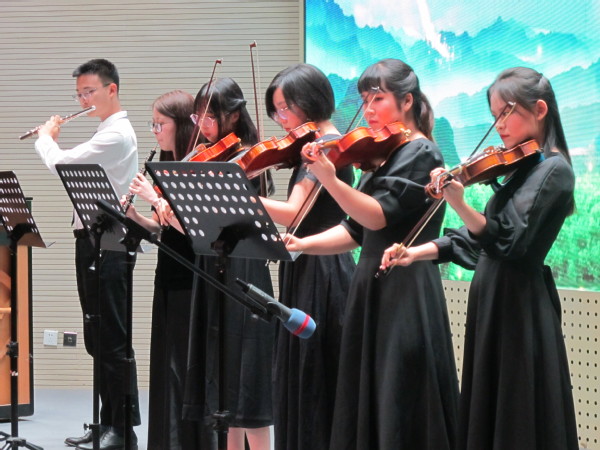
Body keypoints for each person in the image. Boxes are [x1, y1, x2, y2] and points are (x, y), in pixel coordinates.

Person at [381, 66, 579, 450]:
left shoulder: (554, 170)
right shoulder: (523, 167)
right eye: (494, 116)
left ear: (540, 109)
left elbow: (507, 242)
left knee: (515, 417)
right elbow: (474, 241)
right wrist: (413, 252)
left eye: (507, 113)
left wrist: (458, 202)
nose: (499, 126)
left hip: (518, 308)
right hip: (495, 302)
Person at [285, 58, 459, 449]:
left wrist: (329, 179)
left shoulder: (422, 153)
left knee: (400, 398)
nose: (368, 110)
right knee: (370, 398)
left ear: (407, 101)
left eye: (377, 99)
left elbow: (377, 217)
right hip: (370, 288)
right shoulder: (383, 155)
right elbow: (355, 231)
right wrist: (303, 244)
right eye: (365, 100)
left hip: (405, 292)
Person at [34, 58, 141, 449]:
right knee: (97, 335)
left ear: (112, 89)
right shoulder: (105, 130)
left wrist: (46, 137)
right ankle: (107, 421)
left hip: (112, 243)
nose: (83, 100)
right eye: (79, 94)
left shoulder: (118, 134)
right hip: (92, 239)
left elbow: (63, 163)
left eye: (89, 92)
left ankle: (123, 429)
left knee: (112, 337)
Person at [259, 63, 355, 450]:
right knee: (305, 371)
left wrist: (241, 194)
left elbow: (292, 213)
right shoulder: (312, 145)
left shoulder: (326, 147)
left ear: (309, 101)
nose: (280, 119)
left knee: (313, 374)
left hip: (323, 267)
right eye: (277, 111)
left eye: (285, 108)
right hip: (308, 263)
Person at [182, 77, 276, 450]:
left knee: (247, 372)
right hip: (214, 263)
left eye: (210, 116)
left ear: (234, 116)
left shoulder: (250, 157)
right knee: (223, 375)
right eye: (198, 117)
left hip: (244, 265)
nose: (203, 125)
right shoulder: (209, 155)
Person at [124, 90, 209, 449]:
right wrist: (133, 215)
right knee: (167, 364)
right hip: (168, 274)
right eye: (153, 124)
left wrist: (154, 197)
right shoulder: (166, 164)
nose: (155, 131)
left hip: (194, 277)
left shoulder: (197, 167)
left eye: (161, 124)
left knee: (187, 366)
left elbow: (194, 229)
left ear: (183, 125)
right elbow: (162, 229)